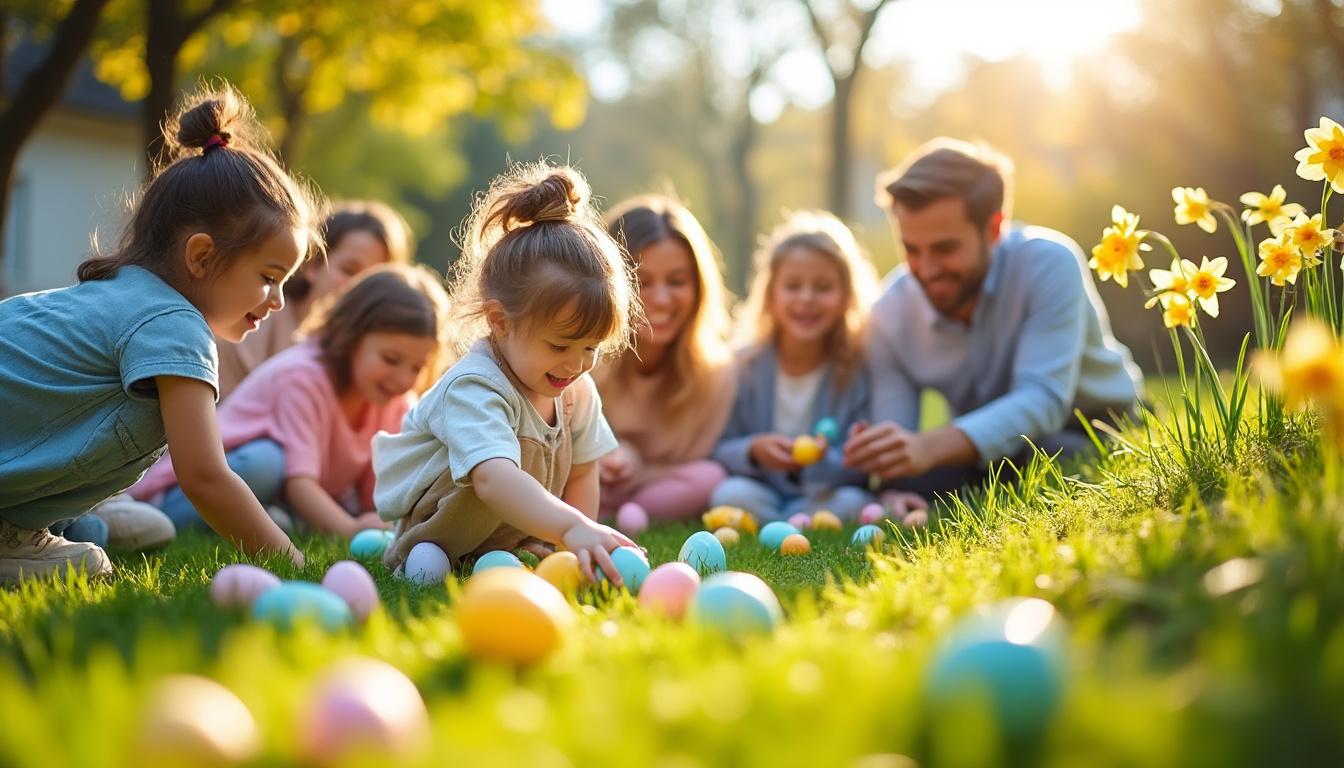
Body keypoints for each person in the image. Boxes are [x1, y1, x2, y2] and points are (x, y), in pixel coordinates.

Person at [0, 84, 318, 583]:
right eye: (268, 276)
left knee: (119, 527)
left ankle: (67, 518)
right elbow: (206, 477)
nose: (277, 300)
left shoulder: (124, 292)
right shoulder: (175, 325)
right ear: (201, 255)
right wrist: (297, 566)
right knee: (93, 558)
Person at [372, 162, 639, 584]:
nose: (576, 364)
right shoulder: (474, 386)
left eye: (591, 347)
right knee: (429, 562)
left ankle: (505, 549)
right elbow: (494, 480)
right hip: (438, 535)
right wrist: (570, 526)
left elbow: (585, 471)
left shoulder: (576, 392)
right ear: (500, 321)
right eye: (558, 345)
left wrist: (573, 544)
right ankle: (424, 556)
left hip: (505, 538)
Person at [845, 138, 1143, 497]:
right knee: (920, 480)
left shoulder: (1049, 263)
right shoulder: (889, 314)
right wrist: (891, 466)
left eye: (945, 248)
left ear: (994, 228)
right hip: (983, 446)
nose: (925, 269)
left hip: (1094, 422)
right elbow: (900, 441)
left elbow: (1044, 399)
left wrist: (928, 448)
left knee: (1053, 454)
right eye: (911, 249)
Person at [131, 264, 450, 537]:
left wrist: (383, 521)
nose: (403, 378)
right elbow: (301, 485)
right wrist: (349, 529)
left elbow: (380, 491)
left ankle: (279, 519)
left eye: (417, 367)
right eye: (391, 358)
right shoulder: (303, 377)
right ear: (350, 337)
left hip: (276, 498)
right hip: (187, 493)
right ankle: (157, 523)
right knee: (267, 463)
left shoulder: (392, 398)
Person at [709, 211, 880, 522]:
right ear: (772, 295)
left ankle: (790, 518)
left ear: (845, 297)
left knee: (853, 500)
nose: (806, 298)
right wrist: (753, 450)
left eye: (823, 287)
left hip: (824, 492)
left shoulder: (854, 371)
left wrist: (826, 456)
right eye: (793, 286)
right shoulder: (745, 366)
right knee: (729, 493)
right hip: (761, 488)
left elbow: (859, 471)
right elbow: (717, 447)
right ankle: (795, 519)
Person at [595, 195, 736, 522]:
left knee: (709, 477)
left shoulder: (716, 372)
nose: (661, 299)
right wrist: (603, 457)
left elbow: (696, 460)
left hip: (656, 488)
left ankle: (632, 514)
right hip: (586, 478)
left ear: (699, 287)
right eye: (641, 283)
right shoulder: (584, 359)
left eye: (677, 282)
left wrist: (640, 467)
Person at [215, 200, 413, 400]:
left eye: (374, 280)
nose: (360, 289)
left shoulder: (381, 366)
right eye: (349, 270)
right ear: (313, 265)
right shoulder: (247, 327)